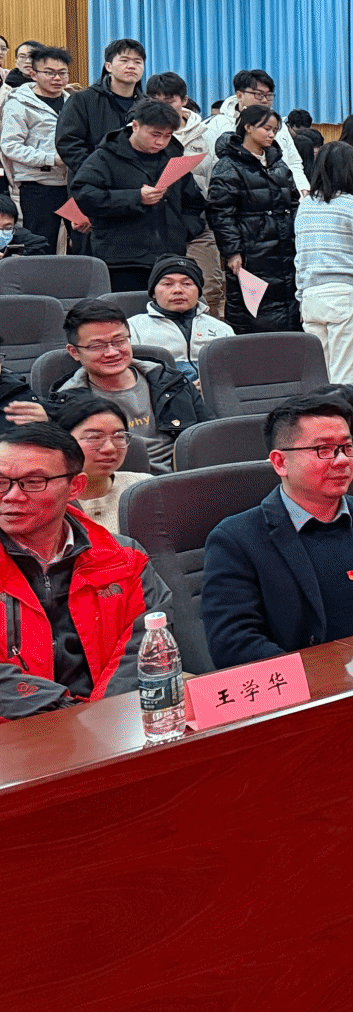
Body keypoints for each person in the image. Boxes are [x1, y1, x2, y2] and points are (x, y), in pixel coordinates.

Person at [200, 395, 353, 670]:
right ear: (280, 462)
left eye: (347, 447)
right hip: (310, 688)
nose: (342, 460)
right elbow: (233, 643)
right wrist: (318, 679)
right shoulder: (236, 540)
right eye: (324, 450)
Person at [0, 421, 168, 720]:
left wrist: (100, 719)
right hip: (18, 729)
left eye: (33, 481)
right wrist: (69, 716)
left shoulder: (123, 557)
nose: (11, 496)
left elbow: (146, 642)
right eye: (1, 481)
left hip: (115, 719)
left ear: (75, 486)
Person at [46, 299, 210, 471]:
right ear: (74, 352)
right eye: (97, 346)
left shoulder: (170, 381)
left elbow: (207, 436)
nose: (112, 352)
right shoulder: (66, 403)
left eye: (119, 341)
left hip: (186, 476)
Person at [70, 99, 208, 292]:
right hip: (122, 259)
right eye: (155, 134)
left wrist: (182, 230)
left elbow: (193, 203)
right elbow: (84, 195)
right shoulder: (105, 156)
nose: (160, 142)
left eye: (167, 136)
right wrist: (135, 198)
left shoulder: (173, 157)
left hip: (168, 258)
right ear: (135, 126)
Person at [295, 142, 353, 388]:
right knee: (346, 378)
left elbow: (300, 258)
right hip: (345, 295)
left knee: (319, 378)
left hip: (310, 297)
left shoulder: (305, 206)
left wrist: (301, 297)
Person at [207, 103, 302, 333]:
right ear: (248, 127)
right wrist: (232, 251)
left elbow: (293, 202)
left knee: (287, 308)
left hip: (285, 248)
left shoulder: (278, 163)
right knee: (253, 314)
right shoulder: (228, 166)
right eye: (266, 128)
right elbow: (221, 213)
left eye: (274, 130)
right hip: (250, 252)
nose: (271, 134)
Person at [145, 71, 226, 316]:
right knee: (162, 289)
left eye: (170, 100)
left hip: (197, 220)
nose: (163, 106)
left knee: (210, 286)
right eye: (156, 100)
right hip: (153, 223)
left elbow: (218, 175)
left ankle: (210, 334)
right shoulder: (134, 133)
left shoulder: (207, 132)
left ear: (184, 100)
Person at [0, 44, 74, 249]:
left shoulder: (73, 102)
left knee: (79, 241)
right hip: (38, 187)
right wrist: (51, 159)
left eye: (62, 73)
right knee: (41, 244)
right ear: (33, 74)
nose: (57, 78)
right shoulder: (18, 103)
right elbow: (10, 146)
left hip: (71, 185)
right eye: (49, 73)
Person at [53, 394, 151, 532]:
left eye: (119, 437)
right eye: (95, 437)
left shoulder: (145, 489)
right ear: (63, 441)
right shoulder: (46, 499)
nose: (110, 448)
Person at [127, 254, 233, 381]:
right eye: (167, 284)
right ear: (153, 292)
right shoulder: (133, 328)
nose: (178, 290)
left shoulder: (222, 329)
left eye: (187, 284)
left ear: (199, 292)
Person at [201, 70, 309, 193]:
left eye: (269, 95)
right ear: (240, 96)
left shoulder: (279, 126)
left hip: (279, 197)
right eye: (259, 95)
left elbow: (294, 162)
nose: (265, 100)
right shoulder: (215, 126)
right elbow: (205, 170)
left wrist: (302, 188)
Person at [55, 37, 146, 180]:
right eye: (124, 60)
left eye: (138, 62)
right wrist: (98, 172)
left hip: (138, 184)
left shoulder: (147, 105)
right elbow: (68, 143)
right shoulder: (82, 100)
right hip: (93, 183)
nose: (131, 66)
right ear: (108, 66)